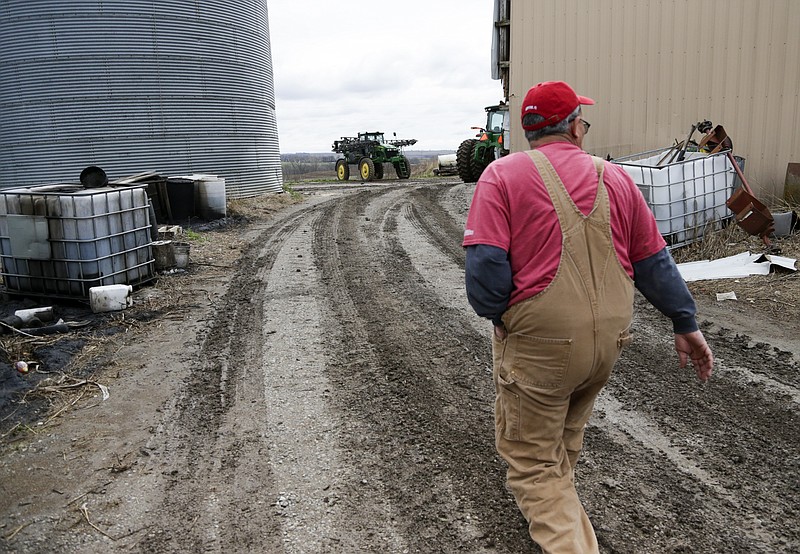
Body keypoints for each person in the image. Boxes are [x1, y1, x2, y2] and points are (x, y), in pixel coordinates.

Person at [462, 80, 714, 553]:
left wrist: (497, 314)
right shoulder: (615, 178)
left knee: (532, 459)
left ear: (529, 128)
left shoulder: (501, 176)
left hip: (543, 344)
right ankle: (559, 507)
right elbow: (653, 262)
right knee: (566, 430)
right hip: (606, 344)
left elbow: (485, 270)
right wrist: (685, 323)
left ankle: (563, 531)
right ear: (575, 127)